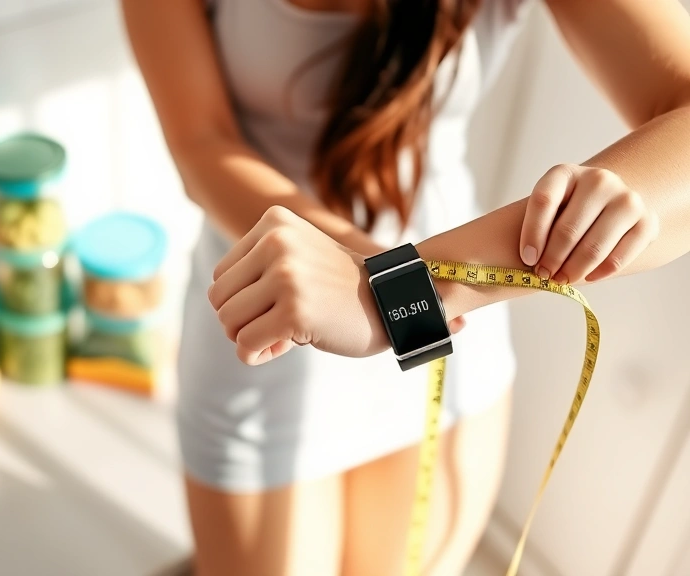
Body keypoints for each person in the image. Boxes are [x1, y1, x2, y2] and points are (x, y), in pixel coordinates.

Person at [121, 0, 690, 574]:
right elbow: (202, 143)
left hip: (445, 335)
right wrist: (380, 281)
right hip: (264, 315)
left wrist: (393, 290)